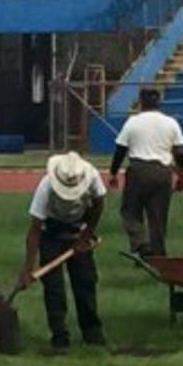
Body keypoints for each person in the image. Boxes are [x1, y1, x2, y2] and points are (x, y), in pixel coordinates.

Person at [18, 151, 107, 352]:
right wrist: (28, 268)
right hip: (51, 232)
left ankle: (92, 332)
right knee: (53, 287)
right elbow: (34, 229)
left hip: (79, 230)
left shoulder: (91, 176)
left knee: (85, 281)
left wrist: (85, 238)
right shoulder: (46, 186)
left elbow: (99, 206)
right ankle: (59, 336)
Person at [109, 87, 183, 257]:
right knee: (158, 216)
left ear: (141, 102)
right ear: (159, 102)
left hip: (138, 169)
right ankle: (159, 255)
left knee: (130, 211)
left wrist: (113, 173)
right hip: (163, 171)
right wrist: (182, 175)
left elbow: (120, 149)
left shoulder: (133, 122)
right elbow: (180, 153)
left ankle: (140, 244)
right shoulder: (171, 123)